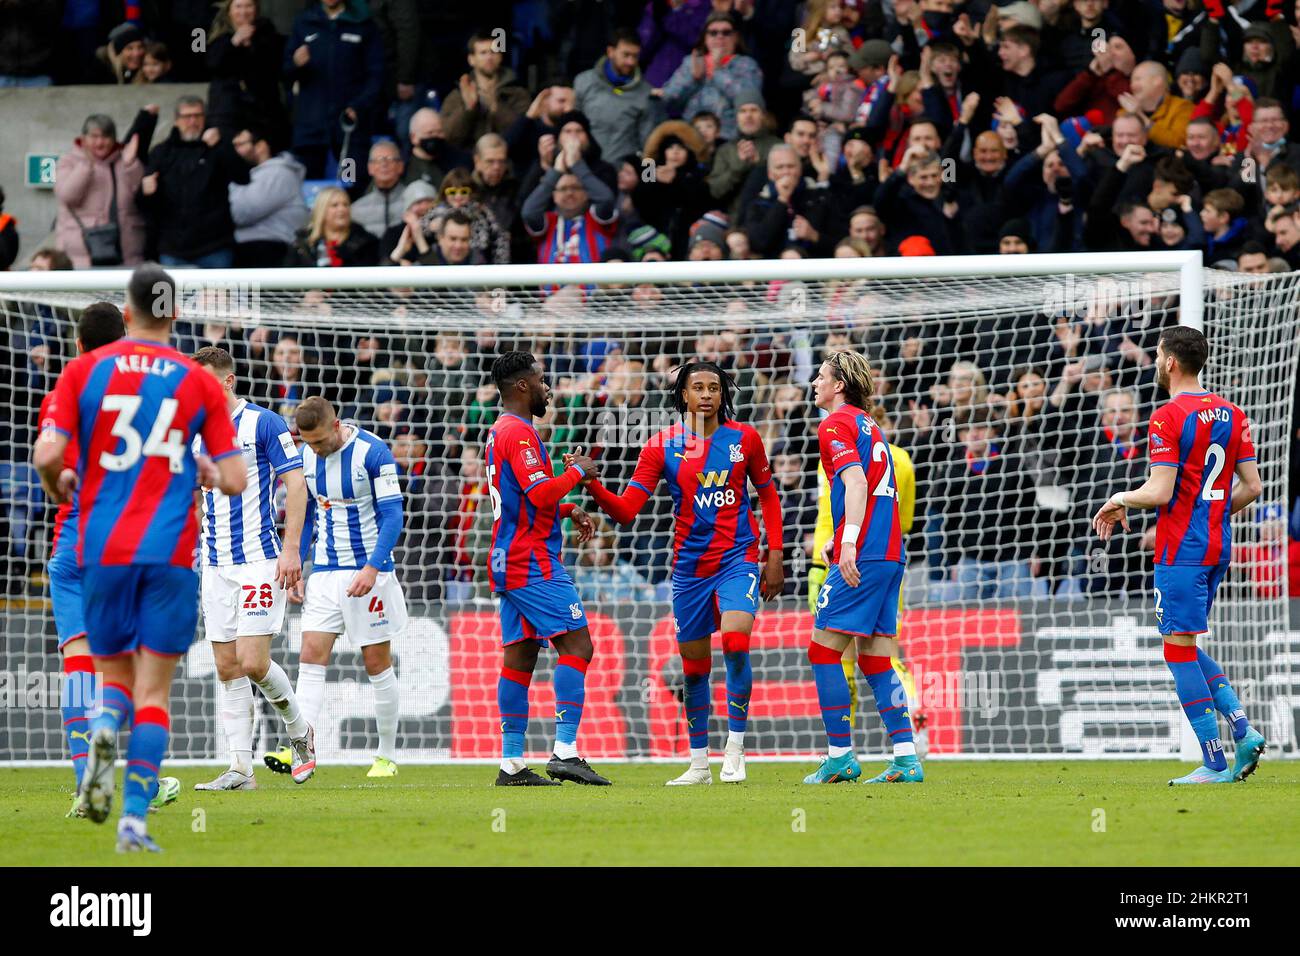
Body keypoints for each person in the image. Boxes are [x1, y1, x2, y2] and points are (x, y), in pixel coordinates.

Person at [34, 264, 247, 852]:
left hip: (97, 547)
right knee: (155, 694)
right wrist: (205, 471)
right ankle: (132, 822)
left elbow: (46, 453)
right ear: (174, 314)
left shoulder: (83, 372)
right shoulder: (196, 381)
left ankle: (99, 742)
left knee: (107, 682)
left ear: (127, 314)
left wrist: (60, 489)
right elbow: (236, 477)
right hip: (171, 553)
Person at [579, 362, 784, 785]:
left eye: (714, 387)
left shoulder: (745, 439)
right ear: (683, 396)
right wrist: (593, 485)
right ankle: (698, 764)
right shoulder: (661, 445)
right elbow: (626, 511)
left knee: (735, 641)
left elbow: (769, 497)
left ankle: (735, 748)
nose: (707, 394)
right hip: (689, 569)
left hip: (737, 559)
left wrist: (774, 555)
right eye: (698, 388)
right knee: (694, 668)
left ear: (724, 394)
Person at [1093, 326, 1267, 786]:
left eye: (1156, 354)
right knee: (1185, 644)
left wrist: (1120, 498)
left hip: (1180, 550)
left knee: (1176, 650)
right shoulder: (1234, 412)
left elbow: (1161, 489)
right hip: (1216, 545)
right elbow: (1252, 487)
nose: (1154, 361)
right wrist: (1207, 512)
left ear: (1169, 361)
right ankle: (1243, 732)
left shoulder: (1167, 416)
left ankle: (1213, 762)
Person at [190, 347, 315, 791]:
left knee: (252, 661)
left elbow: (296, 484)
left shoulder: (263, 423)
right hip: (215, 563)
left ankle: (300, 731)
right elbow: (198, 494)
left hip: (260, 559)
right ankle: (241, 769)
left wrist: (292, 548)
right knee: (226, 666)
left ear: (226, 381)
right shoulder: (194, 431)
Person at [485, 351, 610, 786]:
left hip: (507, 556)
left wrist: (570, 508)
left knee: (519, 659)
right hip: (531, 560)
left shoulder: (500, 430)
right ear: (523, 386)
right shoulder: (519, 434)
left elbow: (523, 504)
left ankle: (512, 764)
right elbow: (538, 496)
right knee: (578, 646)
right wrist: (577, 473)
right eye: (541, 380)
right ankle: (565, 751)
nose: (547, 387)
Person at [803, 350, 921, 786]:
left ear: (838, 385)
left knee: (822, 650)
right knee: (875, 660)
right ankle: (907, 759)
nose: (814, 383)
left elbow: (855, 482)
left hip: (864, 555)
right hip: (890, 553)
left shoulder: (834, 423)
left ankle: (840, 757)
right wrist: (844, 533)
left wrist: (848, 541)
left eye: (820, 376)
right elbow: (872, 490)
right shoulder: (872, 427)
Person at [34, 303, 133, 818]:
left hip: (73, 545)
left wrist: (55, 489)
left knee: (78, 670)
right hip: (127, 545)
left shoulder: (62, 393)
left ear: (76, 345)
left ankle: (84, 784)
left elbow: (48, 457)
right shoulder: (148, 395)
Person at [272, 396, 405, 779]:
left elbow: (393, 515)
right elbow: (311, 513)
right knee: (310, 656)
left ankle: (385, 756)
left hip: (369, 573)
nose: (312, 449)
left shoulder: (373, 452)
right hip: (327, 572)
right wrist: (297, 558)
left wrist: (372, 567)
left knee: (376, 663)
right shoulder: (307, 458)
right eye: (306, 442)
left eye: (317, 440)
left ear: (336, 425)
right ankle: (299, 747)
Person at [137, 97, 250, 269]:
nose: (192, 121)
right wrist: (145, 192)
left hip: (215, 246)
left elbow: (243, 177)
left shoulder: (217, 147)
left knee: (219, 296)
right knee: (169, 297)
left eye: (197, 116)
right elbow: (145, 204)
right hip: (173, 248)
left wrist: (220, 146)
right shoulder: (162, 152)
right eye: (187, 117)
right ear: (176, 120)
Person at [283, 0, 384, 188]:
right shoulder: (304, 22)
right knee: (308, 185)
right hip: (311, 128)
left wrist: (359, 106)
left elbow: (376, 75)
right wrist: (296, 64)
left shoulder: (363, 24)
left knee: (351, 181)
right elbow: (286, 72)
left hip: (349, 127)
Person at [55, 111, 153, 269]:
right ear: (83, 138)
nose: (100, 142)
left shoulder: (126, 161)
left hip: (126, 255)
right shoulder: (69, 161)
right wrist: (86, 165)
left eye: (105, 137)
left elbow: (143, 197)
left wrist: (131, 165)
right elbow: (67, 196)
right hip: (81, 257)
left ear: (114, 139)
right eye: (94, 136)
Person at [575, 28, 659, 166]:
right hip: (585, 169)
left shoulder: (645, 92)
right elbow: (570, 128)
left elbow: (649, 145)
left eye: (635, 56)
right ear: (610, 52)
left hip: (623, 175)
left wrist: (647, 181)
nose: (631, 62)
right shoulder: (584, 82)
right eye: (626, 55)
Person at [229, 125, 308, 268]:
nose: (235, 151)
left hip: (271, 251)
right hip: (251, 250)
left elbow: (240, 212)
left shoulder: (277, 173)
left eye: (240, 144)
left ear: (261, 146)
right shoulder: (251, 174)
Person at [440, 31, 533, 149]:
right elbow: (449, 136)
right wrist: (468, 109)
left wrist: (496, 108)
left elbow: (525, 133)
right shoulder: (457, 95)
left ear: (500, 56)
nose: (489, 57)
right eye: (483, 53)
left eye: (493, 52)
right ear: (471, 59)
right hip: (470, 161)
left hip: (509, 159)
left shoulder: (517, 94)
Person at [285, 187, 379, 267]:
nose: (342, 209)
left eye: (345, 205)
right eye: (335, 205)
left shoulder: (366, 243)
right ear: (321, 210)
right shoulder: (301, 244)